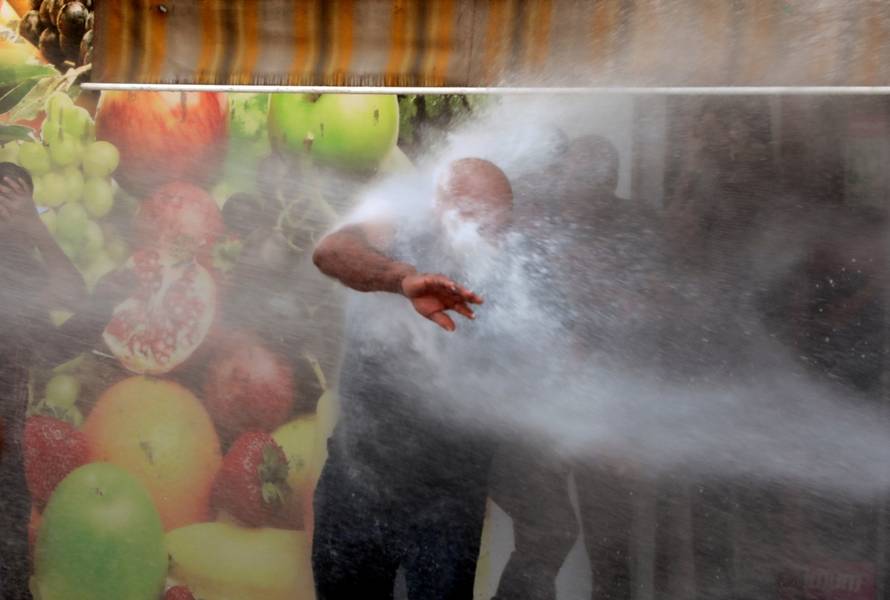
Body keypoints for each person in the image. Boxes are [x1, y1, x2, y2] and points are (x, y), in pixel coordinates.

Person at [311, 158, 515, 599]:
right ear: (442, 203)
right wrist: (402, 280)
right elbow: (329, 253)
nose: (487, 234)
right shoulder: (395, 228)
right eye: (475, 215)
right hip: (355, 485)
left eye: (497, 224)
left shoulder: (511, 277)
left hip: (447, 504)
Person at [0, 163, 131, 600]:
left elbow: (55, 336)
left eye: (18, 200)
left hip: (7, 445)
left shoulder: (23, 267)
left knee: (11, 555)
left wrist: (32, 227)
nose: (8, 209)